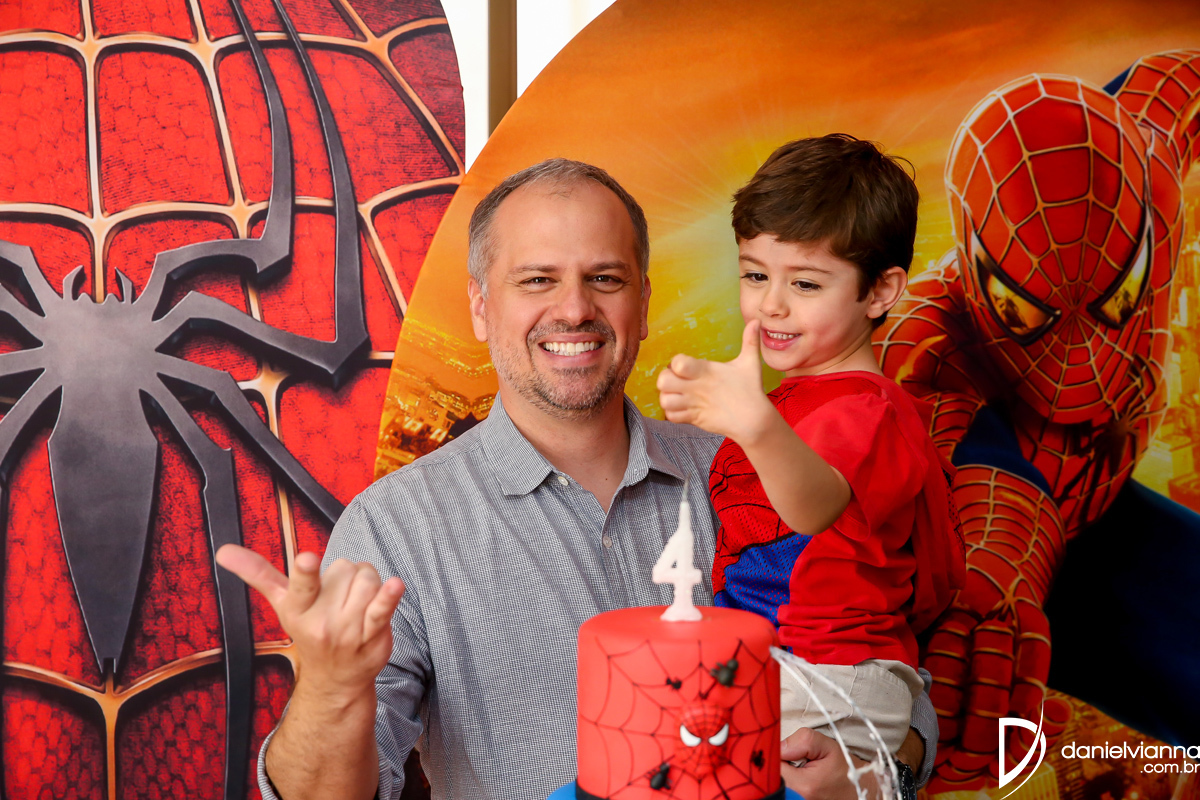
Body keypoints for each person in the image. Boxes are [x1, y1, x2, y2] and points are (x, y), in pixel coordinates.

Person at [216, 157, 939, 800]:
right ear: (480, 305)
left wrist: (887, 769)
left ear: (643, 302)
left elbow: (881, 655)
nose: (573, 309)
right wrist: (334, 688)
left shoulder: (745, 468)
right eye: (538, 280)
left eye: (605, 279)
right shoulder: (395, 527)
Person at [656, 135, 964, 762]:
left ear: (880, 292)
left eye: (804, 283)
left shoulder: (865, 409)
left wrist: (754, 423)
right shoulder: (804, 398)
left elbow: (813, 505)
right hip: (793, 666)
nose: (771, 304)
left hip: (825, 672)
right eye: (755, 275)